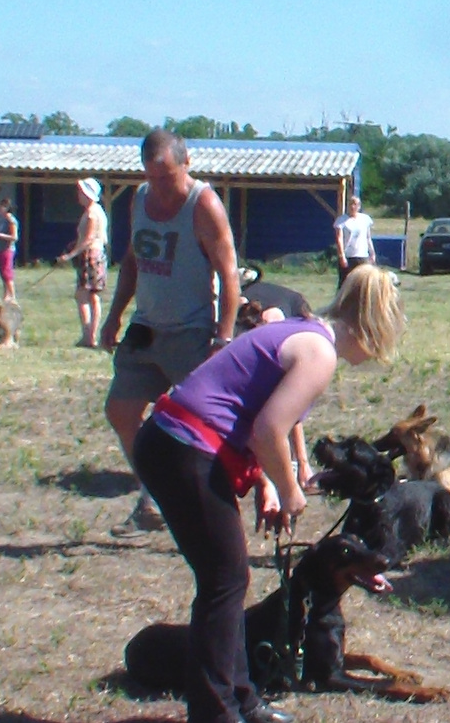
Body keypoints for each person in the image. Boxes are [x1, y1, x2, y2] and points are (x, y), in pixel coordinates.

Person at [135, 263, 403, 723]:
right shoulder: (320, 352)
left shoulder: (299, 331)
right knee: (224, 582)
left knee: (227, 580)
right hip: (184, 448)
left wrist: (264, 483)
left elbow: (244, 406)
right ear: (371, 327)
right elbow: (268, 429)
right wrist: (290, 489)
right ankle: (216, 711)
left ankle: (243, 700)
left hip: (174, 442)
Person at [100, 130, 241, 538]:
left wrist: (223, 338)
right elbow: (132, 261)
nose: (161, 185)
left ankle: (214, 509)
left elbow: (229, 273)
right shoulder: (139, 199)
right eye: (153, 176)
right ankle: (153, 498)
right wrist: (114, 317)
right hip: (146, 328)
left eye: (168, 176)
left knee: (202, 429)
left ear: (187, 163)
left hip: (192, 333)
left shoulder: (204, 205)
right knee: (121, 412)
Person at [59, 178, 109, 347]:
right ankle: (90, 335)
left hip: (89, 256)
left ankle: (89, 336)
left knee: (83, 296)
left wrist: (70, 255)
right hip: (97, 254)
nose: (78, 195)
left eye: (81, 192)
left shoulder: (91, 214)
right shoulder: (97, 211)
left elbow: (88, 239)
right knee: (91, 296)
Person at [331, 194, 375, 290]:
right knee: (344, 284)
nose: (352, 206)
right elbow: (339, 239)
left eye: (355, 204)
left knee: (363, 283)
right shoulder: (341, 220)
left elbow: (368, 237)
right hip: (348, 256)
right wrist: (341, 256)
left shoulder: (365, 219)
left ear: (359, 206)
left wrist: (372, 253)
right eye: (350, 204)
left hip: (362, 256)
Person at [0, 197, 18, 302]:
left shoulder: (11, 220)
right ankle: (6, 296)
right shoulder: (4, 220)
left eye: (2, 206)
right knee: (2, 274)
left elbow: (14, 237)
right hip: (1, 250)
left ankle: (13, 296)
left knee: (7, 273)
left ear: (7, 208)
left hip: (8, 250)